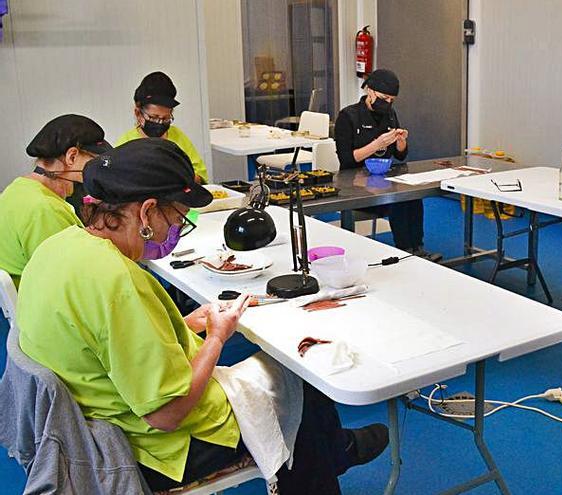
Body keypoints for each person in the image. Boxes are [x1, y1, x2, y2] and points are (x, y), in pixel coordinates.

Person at [16, 138, 388, 494]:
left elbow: (101, 338)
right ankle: (333, 454)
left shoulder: (58, 247)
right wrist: (215, 338)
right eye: (177, 218)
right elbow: (167, 414)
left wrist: (183, 325)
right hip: (161, 449)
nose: (176, 230)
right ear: (146, 211)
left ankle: (333, 451)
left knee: (289, 388)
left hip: (96, 417)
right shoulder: (117, 282)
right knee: (302, 378)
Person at [334, 68, 441, 261]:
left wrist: (401, 142)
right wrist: (377, 144)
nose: (388, 103)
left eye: (392, 100)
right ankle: (406, 251)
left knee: (412, 195)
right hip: (354, 185)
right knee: (398, 199)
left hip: (382, 179)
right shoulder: (348, 116)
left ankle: (418, 248)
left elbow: (400, 156)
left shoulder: (389, 114)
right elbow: (347, 160)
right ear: (370, 91)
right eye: (384, 98)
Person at [0, 114, 111, 287]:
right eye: (93, 162)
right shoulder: (45, 210)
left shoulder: (16, 189)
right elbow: (74, 279)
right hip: (35, 303)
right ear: (72, 157)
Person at [116, 71, 208, 183]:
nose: (159, 123)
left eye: (165, 118)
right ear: (138, 113)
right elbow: (117, 181)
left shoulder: (177, 136)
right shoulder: (126, 143)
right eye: (153, 117)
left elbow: (200, 176)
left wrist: (178, 177)